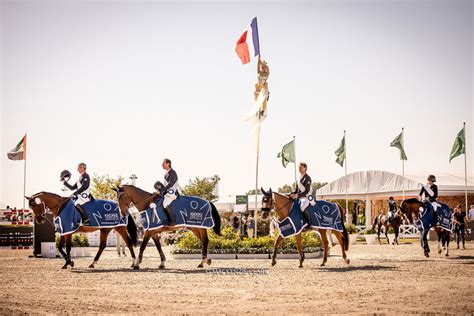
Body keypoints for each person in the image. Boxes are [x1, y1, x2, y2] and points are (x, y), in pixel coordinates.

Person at [290, 162, 313, 227]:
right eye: (299, 168)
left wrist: (297, 195)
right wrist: (291, 194)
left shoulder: (308, 178)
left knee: (302, 207)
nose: (299, 169)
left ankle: (309, 224)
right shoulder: (299, 178)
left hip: (307, 197)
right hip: (300, 198)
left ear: (305, 168)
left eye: (300, 167)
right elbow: (297, 190)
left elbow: (307, 191)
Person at [156, 158, 178, 226]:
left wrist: (161, 191)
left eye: (163, 163)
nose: (162, 165)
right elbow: (165, 185)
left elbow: (171, 184)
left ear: (168, 163)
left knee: (165, 204)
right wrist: (159, 190)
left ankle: (172, 221)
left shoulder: (173, 172)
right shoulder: (166, 173)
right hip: (168, 192)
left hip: (172, 192)